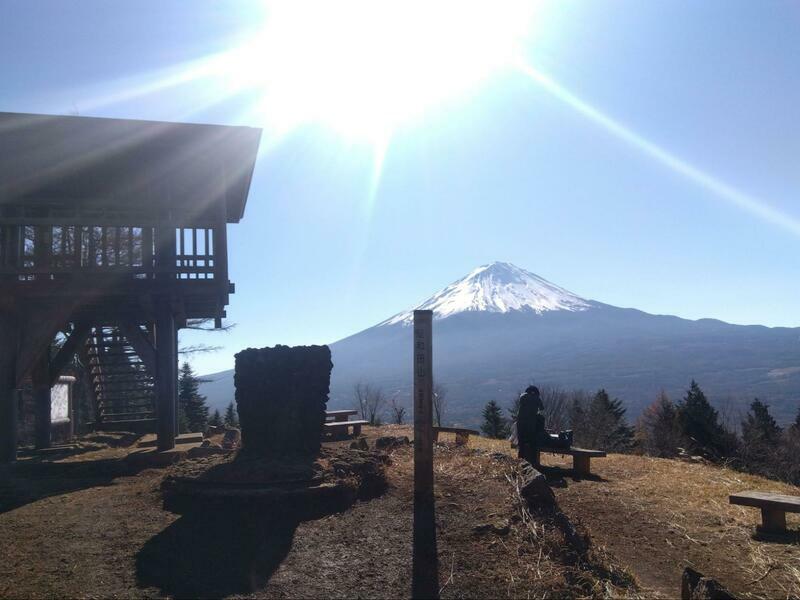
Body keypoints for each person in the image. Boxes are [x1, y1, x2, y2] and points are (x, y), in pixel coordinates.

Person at [516, 385, 573, 464]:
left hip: (520, 424)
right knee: (533, 443)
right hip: (531, 425)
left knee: (521, 443)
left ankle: (520, 461)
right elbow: (542, 408)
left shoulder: (522, 397)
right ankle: (533, 463)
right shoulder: (537, 398)